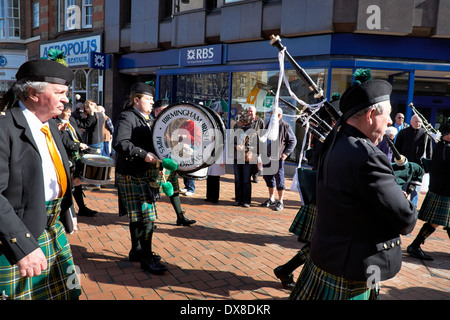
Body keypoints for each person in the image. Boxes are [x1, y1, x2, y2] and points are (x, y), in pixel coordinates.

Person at [289, 74, 417, 300]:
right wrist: (405, 197)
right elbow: (406, 220)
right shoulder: (369, 157)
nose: (389, 122)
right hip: (356, 267)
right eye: (387, 115)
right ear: (370, 115)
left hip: (328, 257)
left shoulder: (335, 141)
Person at [0, 59, 81, 300]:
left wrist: (67, 213)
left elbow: (53, 178)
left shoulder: (51, 126)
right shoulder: (4, 129)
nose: (67, 99)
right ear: (34, 93)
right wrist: (23, 247)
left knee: (70, 296)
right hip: (20, 235)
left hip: (54, 230)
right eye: (60, 93)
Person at [113, 82, 172, 274]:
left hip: (144, 173)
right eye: (149, 98)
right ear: (136, 100)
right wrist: (142, 154)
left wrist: (160, 160)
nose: (152, 102)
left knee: (138, 217)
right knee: (147, 218)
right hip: (132, 173)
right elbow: (120, 143)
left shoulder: (148, 119)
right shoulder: (127, 116)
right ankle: (146, 258)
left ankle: (136, 251)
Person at [407, 122, 450, 261]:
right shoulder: (443, 148)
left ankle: (415, 245)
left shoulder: (444, 147)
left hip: (443, 189)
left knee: (446, 223)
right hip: (442, 191)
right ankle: (415, 245)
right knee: (434, 222)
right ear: (447, 135)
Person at [152, 99, 196, 226]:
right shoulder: (152, 124)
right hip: (158, 164)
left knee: (175, 190)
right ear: (157, 111)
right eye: (163, 110)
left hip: (170, 163)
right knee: (154, 191)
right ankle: (150, 220)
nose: (167, 113)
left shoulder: (173, 126)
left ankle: (180, 217)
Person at [55, 104, 98, 217]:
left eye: (70, 111)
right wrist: (78, 145)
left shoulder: (72, 120)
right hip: (66, 157)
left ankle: (82, 208)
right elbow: (63, 141)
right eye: (66, 111)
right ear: (60, 111)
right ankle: (67, 211)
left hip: (76, 157)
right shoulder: (54, 123)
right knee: (68, 185)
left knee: (77, 181)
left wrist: (92, 112)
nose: (69, 114)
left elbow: (86, 124)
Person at [260, 107, 297, 211]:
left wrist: (286, 153)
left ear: (279, 115)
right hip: (267, 156)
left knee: (279, 179)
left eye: (272, 114)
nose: (270, 116)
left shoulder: (286, 126)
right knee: (268, 178)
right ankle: (271, 198)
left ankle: (280, 201)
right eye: (270, 114)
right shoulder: (269, 125)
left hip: (278, 157)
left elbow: (293, 141)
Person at [395, 114, 432, 206]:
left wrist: (427, 164)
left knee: (414, 186)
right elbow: (396, 148)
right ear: (411, 122)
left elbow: (429, 151)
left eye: (420, 122)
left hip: (418, 165)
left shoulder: (425, 134)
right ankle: (402, 204)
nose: (418, 123)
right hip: (404, 164)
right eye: (416, 121)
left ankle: (413, 205)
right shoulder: (403, 132)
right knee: (403, 184)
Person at [233, 105, 265, 208]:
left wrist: (247, 149)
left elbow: (257, 145)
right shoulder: (236, 128)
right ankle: (238, 199)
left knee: (246, 180)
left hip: (248, 158)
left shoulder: (253, 131)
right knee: (238, 179)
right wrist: (236, 147)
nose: (241, 121)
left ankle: (246, 201)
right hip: (237, 157)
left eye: (243, 120)